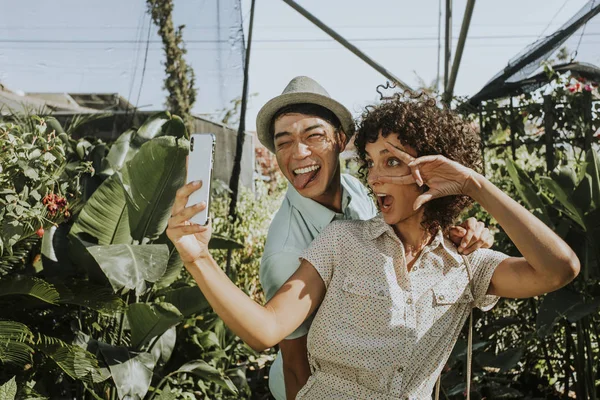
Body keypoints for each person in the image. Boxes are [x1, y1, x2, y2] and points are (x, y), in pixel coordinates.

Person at [166, 91, 579, 399]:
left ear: (438, 168)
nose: (375, 177)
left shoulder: (466, 263)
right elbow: (266, 330)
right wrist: (197, 256)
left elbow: (559, 269)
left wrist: (474, 184)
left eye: (393, 161)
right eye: (370, 162)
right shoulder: (340, 240)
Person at [254, 77, 493, 399]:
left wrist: (454, 228)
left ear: (340, 140)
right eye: (283, 142)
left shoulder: (357, 188)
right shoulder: (287, 253)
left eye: (314, 136)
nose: (298, 153)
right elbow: (297, 366)